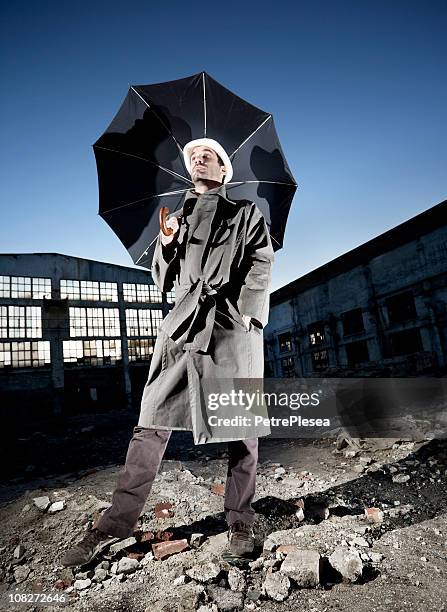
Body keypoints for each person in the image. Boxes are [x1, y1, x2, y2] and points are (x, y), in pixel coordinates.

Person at [62, 138, 274, 567]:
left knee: (242, 426)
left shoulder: (245, 214)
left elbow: (261, 261)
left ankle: (239, 516)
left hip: (231, 325)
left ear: (223, 170)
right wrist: (166, 242)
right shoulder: (174, 219)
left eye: (208, 155)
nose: (199, 158)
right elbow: (162, 279)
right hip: (182, 323)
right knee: (151, 420)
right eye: (193, 155)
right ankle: (115, 524)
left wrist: (250, 316)